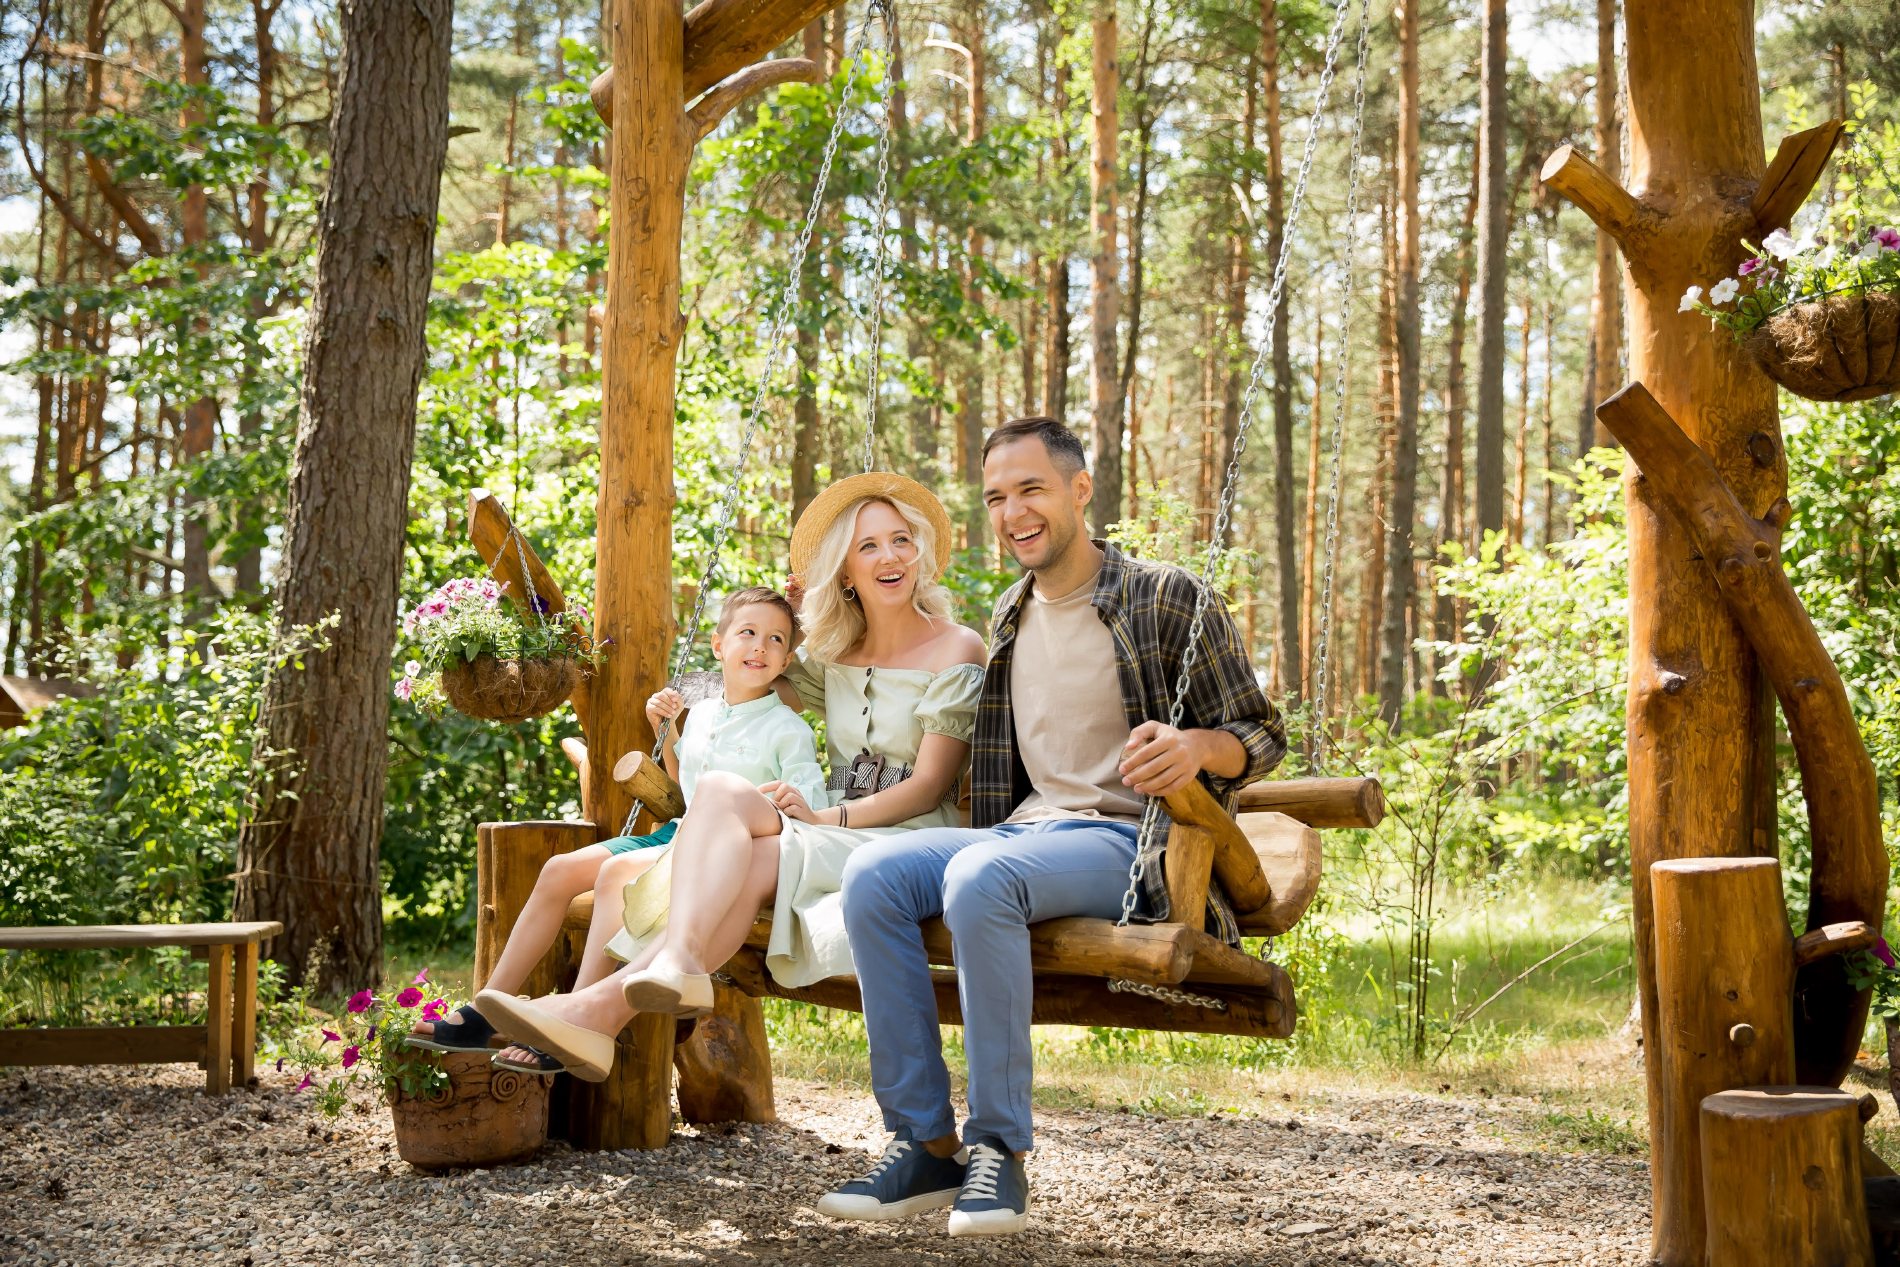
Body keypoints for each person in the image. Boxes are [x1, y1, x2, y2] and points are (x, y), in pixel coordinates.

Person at [817, 417, 1286, 1237]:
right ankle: (925, 1142)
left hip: (1130, 842)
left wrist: (1194, 747)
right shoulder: (1009, 614)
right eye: (996, 497)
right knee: (873, 877)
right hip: (1025, 834)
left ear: (1079, 489)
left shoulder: (1166, 596)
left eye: (1030, 489)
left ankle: (999, 1148)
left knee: (979, 878)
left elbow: (1261, 732)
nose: (1013, 512)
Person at [472, 472, 987, 1081]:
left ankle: (610, 1002)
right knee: (740, 847)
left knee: (724, 802)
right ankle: (613, 1008)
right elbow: (747, 689)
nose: (890, 556)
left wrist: (825, 817)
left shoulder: (958, 647)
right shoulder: (834, 655)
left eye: (901, 540)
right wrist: (793, 624)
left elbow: (928, 786)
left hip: (907, 835)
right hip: (826, 829)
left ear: (920, 552)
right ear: (844, 571)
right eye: (867, 546)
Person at [408, 587, 826, 1069]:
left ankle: (575, 1019)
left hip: (721, 852)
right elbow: (687, 786)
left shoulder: (787, 728)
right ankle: (486, 1010)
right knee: (559, 870)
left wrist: (777, 804)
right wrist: (666, 732)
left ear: (786, 660)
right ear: (718, 645)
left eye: (775, 640)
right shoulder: (706, 714)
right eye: (748, 633)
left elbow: (804, 808)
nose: (759, 647)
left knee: (614, 875)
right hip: (678, 832)